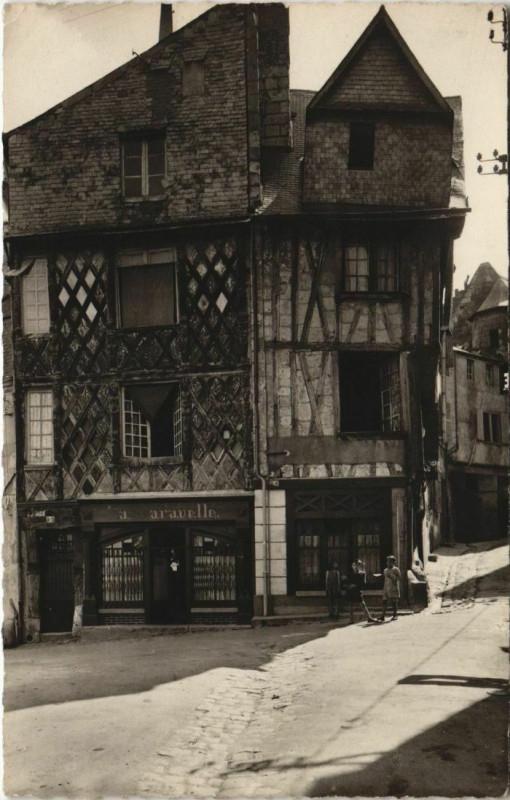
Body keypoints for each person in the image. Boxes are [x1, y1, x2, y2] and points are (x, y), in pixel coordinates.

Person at [380, 555, 401, 621]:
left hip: (393, 588)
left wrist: (392, 576)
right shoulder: (385, 570)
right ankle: (382, 616)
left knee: (394, 603)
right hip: (386, 588)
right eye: (387, 561)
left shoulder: (396, 569)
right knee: (384, 602)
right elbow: (385, 579)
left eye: (389, 561)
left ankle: (395, 615)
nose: (388, 563)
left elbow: (399, 578)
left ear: (393, 562)